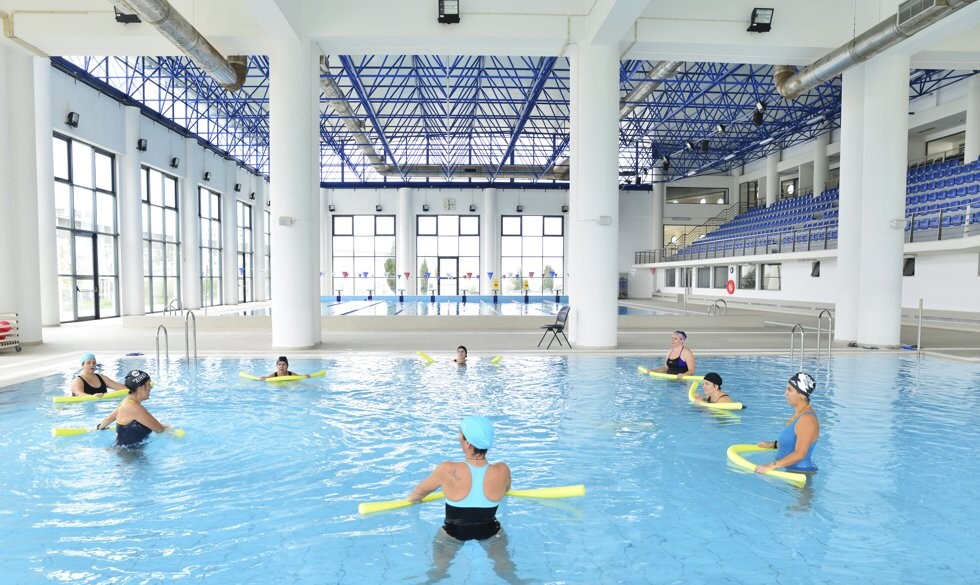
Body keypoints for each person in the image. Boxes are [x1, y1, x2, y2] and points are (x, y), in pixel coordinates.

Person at [409, 416, 525, 584]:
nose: (459, 437)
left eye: (460, 434)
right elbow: (506, 491)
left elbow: (418, 493)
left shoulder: (447, 469)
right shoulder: (503, 471)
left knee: (437, 571)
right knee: (506, 570)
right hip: (490, 530)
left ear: (468, 443)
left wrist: (414, 503)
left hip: (452, 533)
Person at [756, 372, 819, 474]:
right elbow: (793, 441)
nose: (785, 393)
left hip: (799, 475)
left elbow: (800, 454)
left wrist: (771, 465)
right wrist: (773, 444)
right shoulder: (800, 414)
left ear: (802, 395)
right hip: (789, 471)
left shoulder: (807, 419)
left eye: (790, 390)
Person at [95, 369, 171, 447]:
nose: (151, 387)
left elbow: (108, 420)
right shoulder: (135, 408)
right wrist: (172, 430)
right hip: (130, 455)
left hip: (122, 451)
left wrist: (100, 427)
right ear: (140, 387)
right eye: (148, 384)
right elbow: (159, 429)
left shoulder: (126, 402)